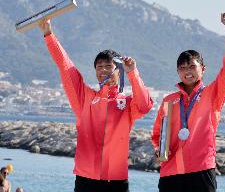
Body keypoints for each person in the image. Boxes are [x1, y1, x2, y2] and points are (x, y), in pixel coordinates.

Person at [38, 19, 153, 192]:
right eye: (99, 67)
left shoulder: (127, 103)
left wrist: (133, 73)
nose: (104, 70)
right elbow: (65, 66)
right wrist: (49, 34)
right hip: (85, 179)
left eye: (109, 66)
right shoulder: (84, 98)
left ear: (119, 71)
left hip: (116, 180)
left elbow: (144, 106)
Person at [151, 11, 225, 192]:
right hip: (170, 172)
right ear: (178, 72)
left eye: (192, 66)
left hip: (201, 171)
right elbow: (157, 134)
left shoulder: (213, 94)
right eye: (182, 68)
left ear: (203, 69)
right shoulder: (169, 101)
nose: (187, 71)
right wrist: (159, 151)